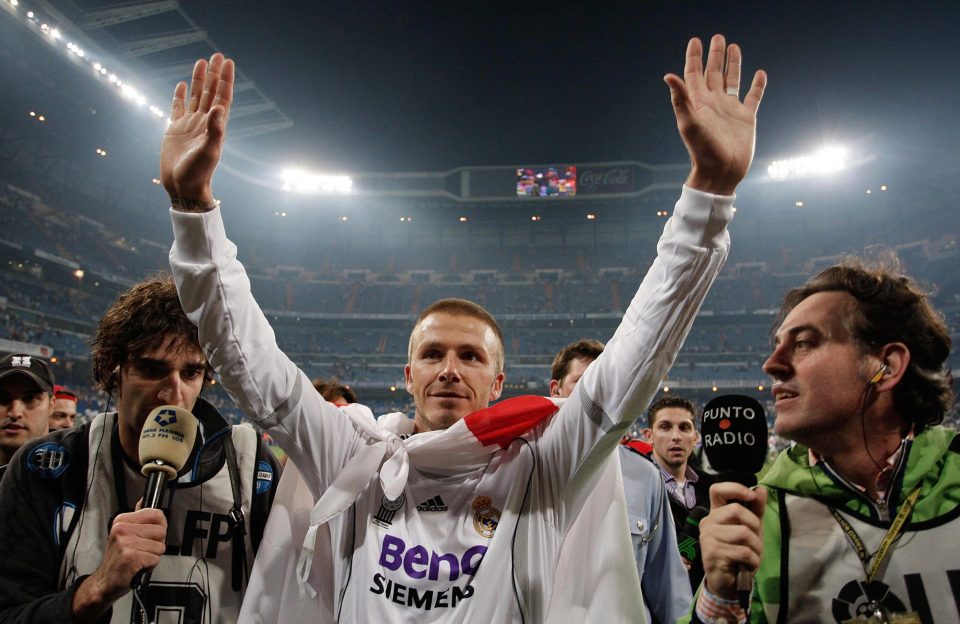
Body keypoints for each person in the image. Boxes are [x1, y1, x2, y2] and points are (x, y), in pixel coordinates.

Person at [161, 33, 765, 621]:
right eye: (433, 354)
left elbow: (636, 360)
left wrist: (708, 197)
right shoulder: (353, 455)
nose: (449, 368)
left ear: (498, 381)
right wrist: (192, 208)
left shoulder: (541, 466)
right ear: (408, 374)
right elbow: (246, 359)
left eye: (471, 357)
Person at [0, 276, 282, 623]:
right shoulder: (47, 467)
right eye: (152, 369)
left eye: (191, 372)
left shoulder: (251, 466)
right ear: (111, 370)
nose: (173, 394)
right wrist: (97, 588)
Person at [694, 258, 959, 623]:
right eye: (777, 344)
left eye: (803, 343)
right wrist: (718, 599)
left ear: (886, 366)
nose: (771, 364)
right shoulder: (758, 512)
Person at [549, 339, 692, 623]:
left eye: (607, 384)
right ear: (556, 390)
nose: (595, 395)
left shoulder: (644, 476)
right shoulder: (527, 467)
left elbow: (668, 590)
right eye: (583, 382)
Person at [643, 395, 715, 590]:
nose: (676, 436)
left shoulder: (713, 488)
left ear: (695, 437)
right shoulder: (634, 488)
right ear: (648, 436)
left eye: (684, 428)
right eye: (665, 427)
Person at [0, 353, 55, 470]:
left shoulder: (78, 476)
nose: (15, 413)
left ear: (51, 406)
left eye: (30, 398)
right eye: (2, 398)